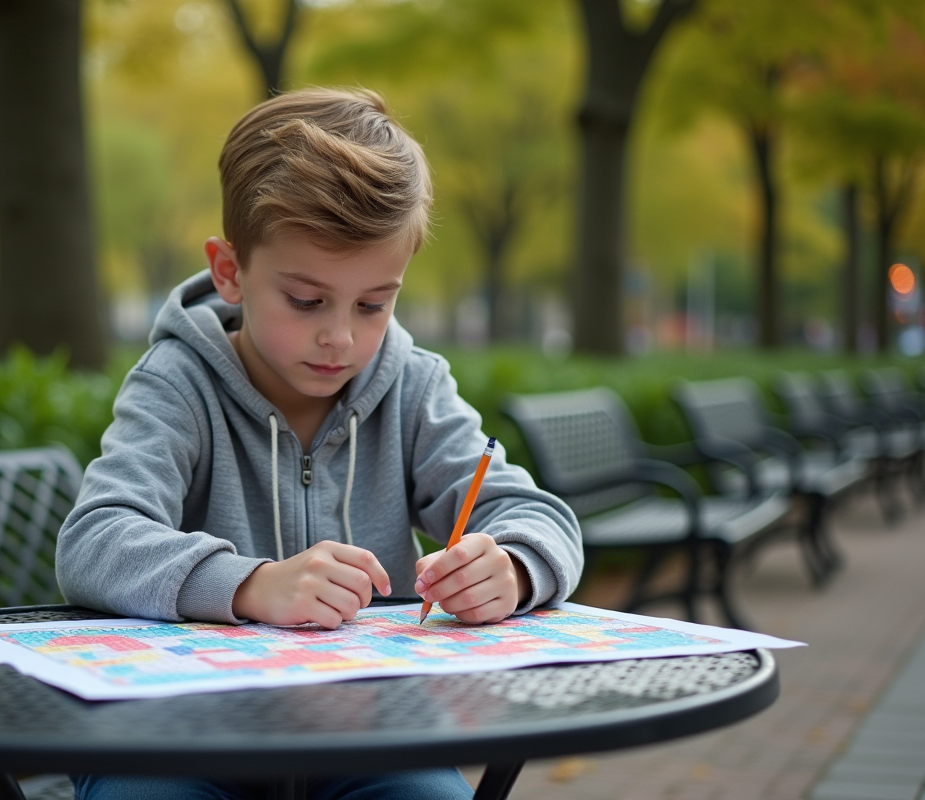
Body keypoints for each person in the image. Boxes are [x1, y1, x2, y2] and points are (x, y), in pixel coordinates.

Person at [57, 87, 583, 800]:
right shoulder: (178, 382)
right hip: (175, 735)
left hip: (371, 734)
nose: (341, 337)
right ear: (230, 271)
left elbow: (538, 515)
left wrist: (515, 567)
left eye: (374, 304)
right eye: (307, 301)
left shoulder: (412, 386)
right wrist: (250, 585)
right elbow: (94, 540)